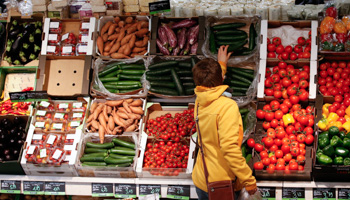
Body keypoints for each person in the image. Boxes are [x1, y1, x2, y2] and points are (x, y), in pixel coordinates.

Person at [191, 45, 257, 200]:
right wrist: (249, 180)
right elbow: (229, 149)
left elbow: (210, 86)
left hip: (202, 177)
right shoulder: (227, 107)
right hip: (220, 183)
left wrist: (221, 66)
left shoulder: (199, 101)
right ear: (220, 79)